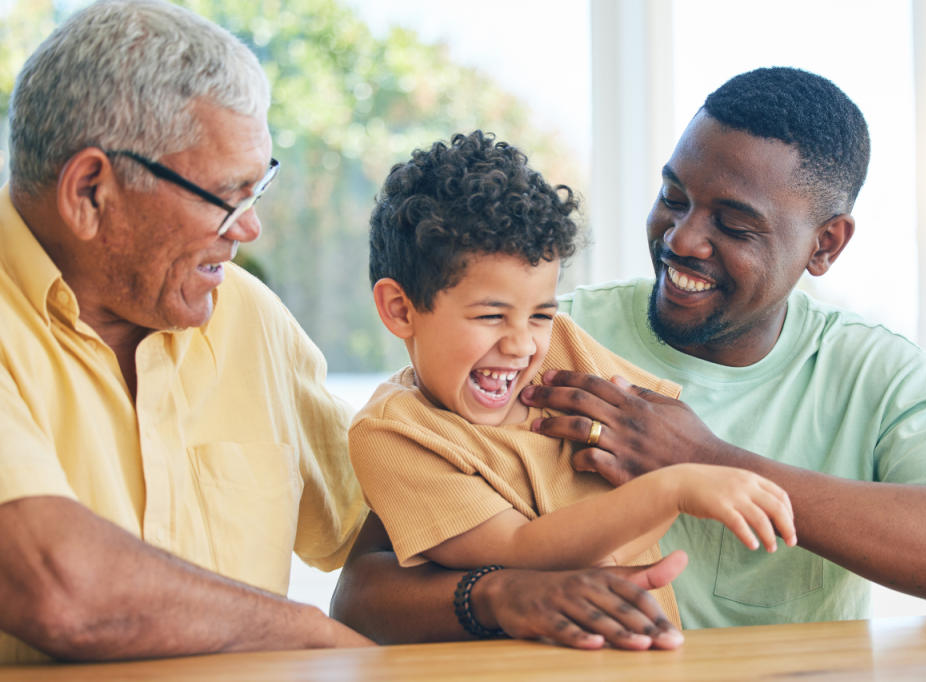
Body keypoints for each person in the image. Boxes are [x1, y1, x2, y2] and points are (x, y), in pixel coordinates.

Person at [0, 0, 698, 662]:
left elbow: (377, 560)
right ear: (91, 190)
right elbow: (57, 584)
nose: (250, 230)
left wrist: (501, 590)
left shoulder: (247, 319)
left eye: (258, 190)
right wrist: (307, 635)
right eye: (225, 198)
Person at [333, 67, 926, 637]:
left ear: (826, 245)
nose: (683, 240)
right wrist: (499, 594)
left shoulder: (872, 372)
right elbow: (364, 591)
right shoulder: (540, 338)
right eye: (673, 197)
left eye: (733, 224)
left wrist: (707, 459)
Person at [348, 131, 796, 633]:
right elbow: (522, 551)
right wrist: (675, 488)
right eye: (492, 316)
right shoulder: (394, 434)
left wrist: (661, 496)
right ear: (399, 309)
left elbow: (650, 455)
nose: (521, 345)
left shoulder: (560, 346)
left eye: (539, 313)